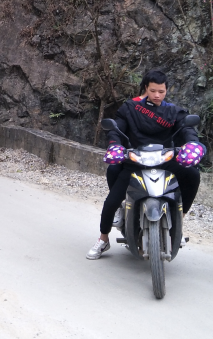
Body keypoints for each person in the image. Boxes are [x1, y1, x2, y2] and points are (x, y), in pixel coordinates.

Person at [87, 69, 205, 260]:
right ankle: (103, 238)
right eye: (152, 91)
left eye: (161, 91)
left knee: (192, 174)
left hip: (165, 160)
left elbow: (187, 128)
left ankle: (179, 223)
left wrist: (192, 144)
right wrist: (115, 145)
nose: (157, 95)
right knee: (111, 201)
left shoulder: (173, 111)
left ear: (167, 90)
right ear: (145, 89)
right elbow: (116, 130)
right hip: (136, 161)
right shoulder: (130, 109)